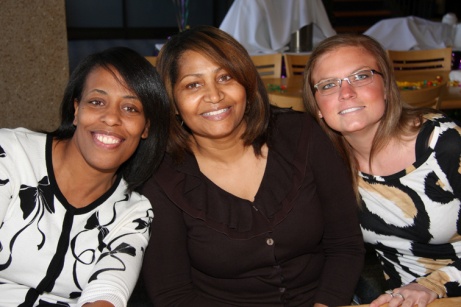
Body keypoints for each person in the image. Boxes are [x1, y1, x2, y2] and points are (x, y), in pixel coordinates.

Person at [140, 25, 365, 307]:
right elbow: (172, 294)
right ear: (172, 102)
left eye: (225, 77)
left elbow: (345, 243)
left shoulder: (301, 135)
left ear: (246, 84)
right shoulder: (161, 178)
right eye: (193, 85)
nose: (214, 95)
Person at [0, 46, 170, 306]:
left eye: (130, 108)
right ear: (76, 109)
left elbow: (108, 292)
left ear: (146, 127)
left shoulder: (132, 212)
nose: (112, 118)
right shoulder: (9, 156)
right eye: (97, 102)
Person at [303, 33, 461, 307]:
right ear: (317, 106)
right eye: (329, 85)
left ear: (386, 86)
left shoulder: (443, 143)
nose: (346, 92)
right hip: (398, 299)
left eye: (361, 76)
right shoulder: (329, 164)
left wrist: (433, 285)